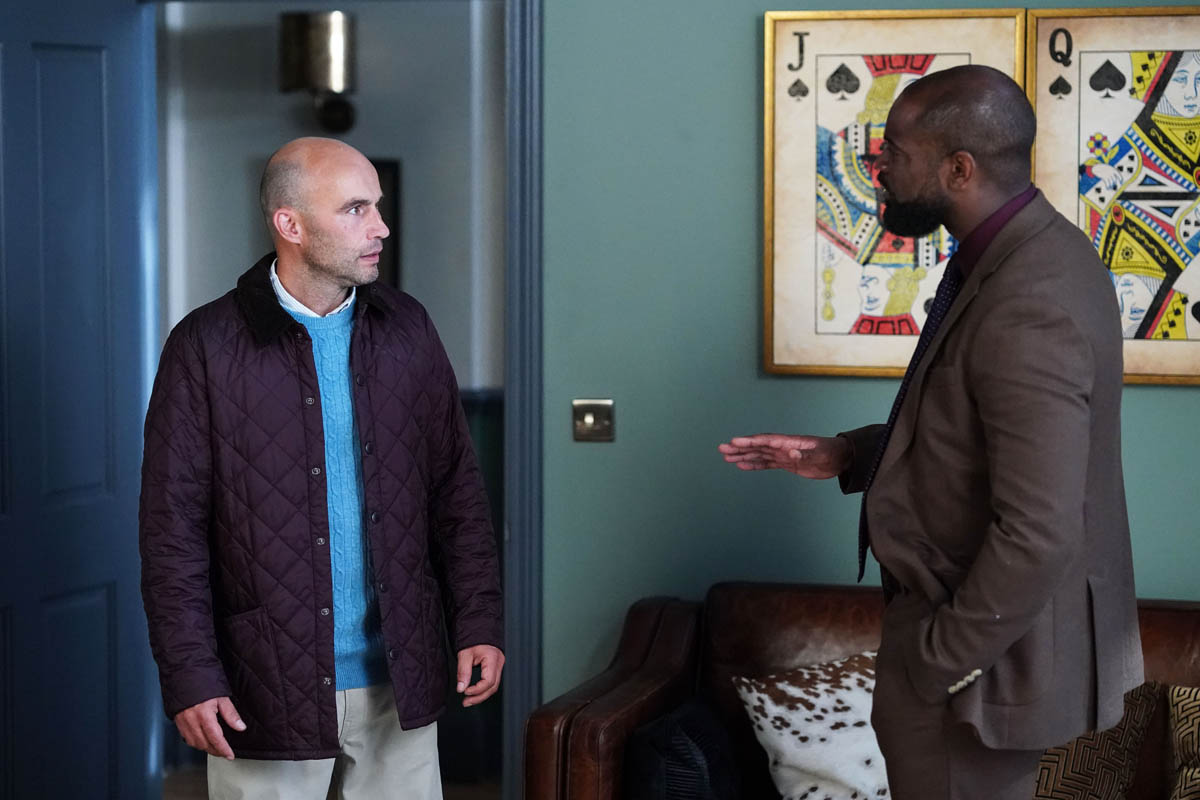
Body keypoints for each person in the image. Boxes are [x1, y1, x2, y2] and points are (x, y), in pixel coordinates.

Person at [720, 65, 1142, 800]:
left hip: (975, 677)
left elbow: (1040, 529)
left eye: (896, 151)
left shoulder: (1030, 297)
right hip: (969, 659)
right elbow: (975, 439)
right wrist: (851, 455)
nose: (878, 167)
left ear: (959, 169)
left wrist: (936, 663)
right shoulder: (1023, 255)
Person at [139, 137, 504, 799]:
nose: (381, 227)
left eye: (377, 207)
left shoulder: (409, 329)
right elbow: (173, 533)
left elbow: (457, 492)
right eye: (356, 209)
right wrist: (190, 674)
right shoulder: (203, 346)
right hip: (265, 683)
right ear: (291, 224)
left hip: (401, 677)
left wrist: (478, 620)